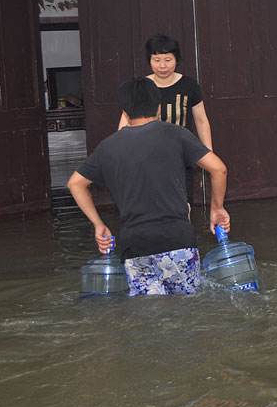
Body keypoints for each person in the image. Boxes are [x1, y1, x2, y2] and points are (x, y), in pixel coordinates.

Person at [70, 77, 231, 296]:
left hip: (135, 245)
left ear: (125, 110)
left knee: (149, 311)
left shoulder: (108, 147)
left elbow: (76, 184)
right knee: (188, 308)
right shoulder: (176, 134)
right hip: (177, 239)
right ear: (157, 106)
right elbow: (218, 169)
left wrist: (98, 224)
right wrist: (216, 207)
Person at [118, 34, 212, 202]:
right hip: (146, 155)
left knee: (182, 202)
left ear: (177, 59)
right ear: (149, 60)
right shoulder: (141, 87)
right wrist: (122, 152)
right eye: (156, 60)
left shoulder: (189, 85)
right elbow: (125, 120)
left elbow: (201, 120)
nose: (162, 66)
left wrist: (207, 152)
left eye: (168, 60)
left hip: (180, 154)